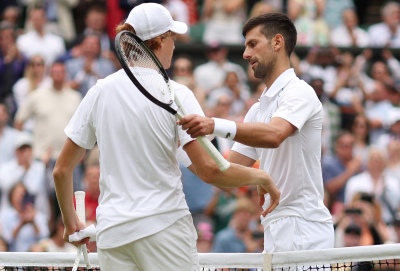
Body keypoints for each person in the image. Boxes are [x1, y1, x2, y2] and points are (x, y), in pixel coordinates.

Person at [52, 3, 280, 271]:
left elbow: (61, 171)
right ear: (159, 41)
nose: (175, 44)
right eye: (172, 37)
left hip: (113, 235)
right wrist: (260, 176)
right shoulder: (177, 95)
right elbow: (210, 171)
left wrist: (70, 223)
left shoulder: (99, 92)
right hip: (164, 228)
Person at [178, 12, 334, 253]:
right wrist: (178, 143)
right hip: (274, 231)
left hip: (305, 228)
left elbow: (274, 135)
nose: (245, 54)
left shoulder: (299, 92)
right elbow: (221, 171)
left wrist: (213, 124)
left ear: (277, 42)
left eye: (253, 44)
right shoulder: (257, 110)